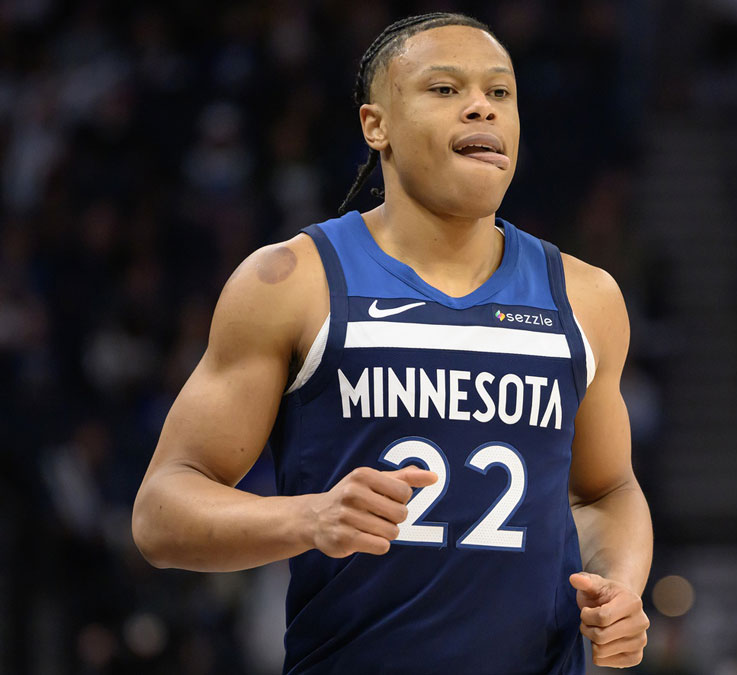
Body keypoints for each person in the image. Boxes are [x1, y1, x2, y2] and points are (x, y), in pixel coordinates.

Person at [131, 12, 652, 674]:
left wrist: (623, 588)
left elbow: (608, 490)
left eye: (500, 94)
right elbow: (160, 511)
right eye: (444, 88)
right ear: (376, 125)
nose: (481, 109)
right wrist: (310, 518)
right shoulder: (294, 281)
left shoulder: (587, 297)